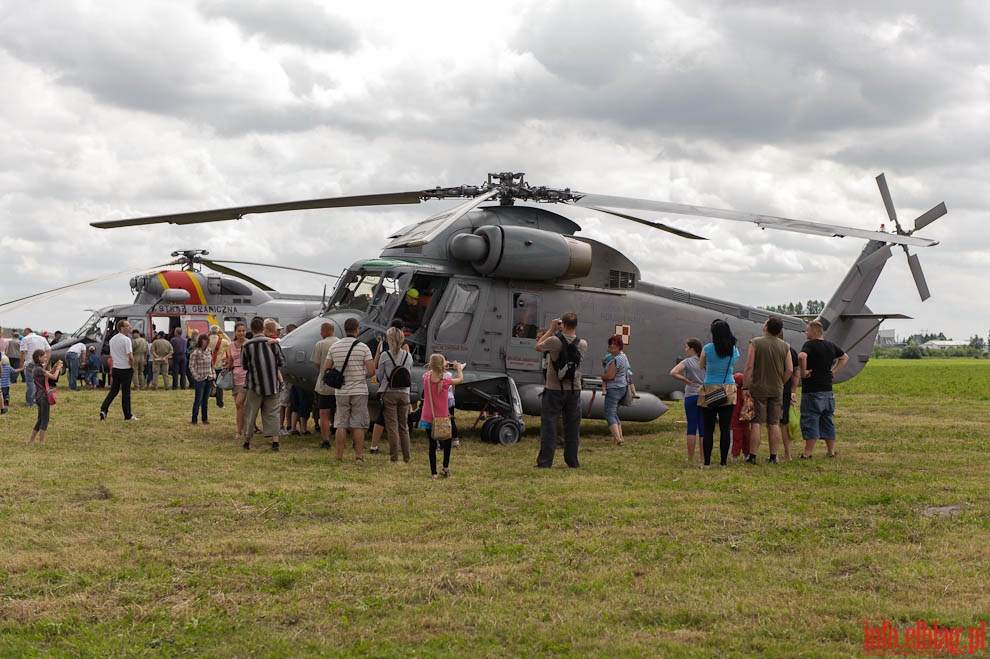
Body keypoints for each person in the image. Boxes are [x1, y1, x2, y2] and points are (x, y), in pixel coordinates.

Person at [534, 312, 588, 469]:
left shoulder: (554, 341)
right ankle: (572, 461)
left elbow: (538, 347)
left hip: (553, 388)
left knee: (549, 425)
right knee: (572, 426)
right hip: (574, 389)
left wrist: (550, 330)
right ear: (576, 325)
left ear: (562, 325)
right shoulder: (582, 344)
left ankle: (545, 462)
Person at [742, 316, 793, 464]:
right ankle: (773, 456)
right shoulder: (785, 346)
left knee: (756, 422)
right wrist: (781, 382)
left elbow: (749, 366)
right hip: (776, 389)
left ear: (766, 328)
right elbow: (789, 369)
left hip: (759, 387)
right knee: (774, 423)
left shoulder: (756, 343)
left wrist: (746, 385)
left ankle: (753, 455)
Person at [325, 318, 374, 461]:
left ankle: (339, 456)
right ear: (357, 329)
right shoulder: (363, 347)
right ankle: (358, 456)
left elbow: (326, 369)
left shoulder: (334, 347)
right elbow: (371, 371)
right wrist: (361, 374)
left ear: (344, 329)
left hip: (341, 391)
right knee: (357, 423)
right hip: (359, 389)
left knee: (340, 423)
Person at [798, 320, 848, 459]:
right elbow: (844, 357)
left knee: (810, 419)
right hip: (828, 390)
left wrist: (803, 372)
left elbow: (802, 356)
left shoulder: (809, 345)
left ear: (814, 331)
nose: (806, 333)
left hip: (812, 389)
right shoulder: (830, 346)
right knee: (827, 419)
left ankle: (808, 452)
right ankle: (831, 451)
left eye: (807, 330)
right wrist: (834, 370)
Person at [241, 317, 285, 451]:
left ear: (251, 329)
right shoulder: (272, 343)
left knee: (250, 413)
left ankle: (247, 442)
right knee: (272, 413)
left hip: (254, 385)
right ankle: (275, 442)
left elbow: (244, 366)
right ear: (263, 329)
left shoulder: (247, 345)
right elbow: (281, 362)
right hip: (272, 385)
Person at [699, 319, 739, 468]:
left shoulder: (708, 348)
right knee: (725, 427)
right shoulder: (733, 350)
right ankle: (723, 462)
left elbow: (701, 365)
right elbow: (732, 364)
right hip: (728, 388)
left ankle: (707, 462)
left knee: (708, 428)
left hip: (709, 388)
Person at [421, 353, 463, 477]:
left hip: (428, 417)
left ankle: (433, 472)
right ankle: (445, 468)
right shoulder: (444, 381)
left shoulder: (426, 378)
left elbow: (431, 371)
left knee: (432, 444)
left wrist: (440, 364)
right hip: (442, 418)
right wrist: (459, 369)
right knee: (447, 442)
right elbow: (460, 380)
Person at [375, 326, 413, 463]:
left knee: (392, 426)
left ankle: (394, 457)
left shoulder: (385, 355)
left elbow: (379, 376)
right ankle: (407, 457)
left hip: (389, 393)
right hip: (404, 393)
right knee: (404, 426)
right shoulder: (408, 356)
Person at [669, 338, 705, 463]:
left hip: (690, 395)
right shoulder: (705, 362)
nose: (685, 350)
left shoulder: (688, 362)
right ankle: (703, 457)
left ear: (692, 349)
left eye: (686, 347)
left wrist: (685, 380)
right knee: (702, 427)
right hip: (703, 395)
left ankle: (690, 457)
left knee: (691, 426)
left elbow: (673, 372)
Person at [99, 319, 138, 421]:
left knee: (113, 391)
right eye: (127, 326)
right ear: (121, 328)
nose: (130, 327)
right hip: (125, 368)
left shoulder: (112, 339)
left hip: (116, 367)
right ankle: (127, 414)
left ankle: (104, 409)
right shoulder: (126, 340)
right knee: (126, 393)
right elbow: (130, 356)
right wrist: (132, 366)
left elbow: (112, 355)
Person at [311, 322, 339, 450]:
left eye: (321, 331)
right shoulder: (340, 343)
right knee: (340, 412)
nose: (320, 333)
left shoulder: (320, 344)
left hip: (325, 384)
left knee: (324, 413)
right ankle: (340, 435)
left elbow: (317, 365)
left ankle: (326, 440)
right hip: (339, 384)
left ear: (326, 331)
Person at [600, 334, 630, 446]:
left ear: (619, 346)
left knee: (609, 413)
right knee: (614, 413)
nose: (612, 346)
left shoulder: (616, 359)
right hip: (621, 387)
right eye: (611, 344)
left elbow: (610, 376)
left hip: (614, 388)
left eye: (615, 344)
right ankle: (620, 436)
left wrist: (602, 377)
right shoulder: (623, 356)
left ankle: (618, 438)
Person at [28, 350, 63, 443]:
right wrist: (59, 369)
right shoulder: (40, 369)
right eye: (44, 356)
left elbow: (48, 374)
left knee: (40, 419)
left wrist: (55, 366)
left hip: (38, 396)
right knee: (45, 420)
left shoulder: (37, 368)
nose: (46, 358)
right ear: (39, 357)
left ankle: (31, 440)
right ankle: (41, 441)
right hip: (43, 397)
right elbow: (54, 377)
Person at [224, 322, 249, 442]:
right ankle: (241, 429)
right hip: (235, 376)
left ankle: (242, 430)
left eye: (243, 331)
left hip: (247, 375)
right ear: (235, 332)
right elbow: (230, 360)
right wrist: (226, 364)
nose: (241, 333)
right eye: (239, 331)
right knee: (239, 406)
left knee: (240, 403)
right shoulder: (231, 345)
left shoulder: (249, 344)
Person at [20, 328, 50, 407]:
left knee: (30, 383)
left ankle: (30, 402)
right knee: (39, 383)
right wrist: (46, 363)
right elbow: (49, 350)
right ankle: (38, 400)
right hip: (41, 364)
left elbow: (23, 352)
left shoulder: (25, 339)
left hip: (31, 363)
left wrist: (21, 363)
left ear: (26, 332)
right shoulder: (42, 339)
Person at [189, 333, 214, 424]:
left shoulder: (209, 351)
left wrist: (213, 374)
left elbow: (212, 364)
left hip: (209, 377)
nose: (205, 342)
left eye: (207, 340)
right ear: (200, 341)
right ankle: (194, 419)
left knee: (205, 400)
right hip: (200, 378)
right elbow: (191, 366)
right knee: (198, 399)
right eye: (204, 340)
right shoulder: (196, 352)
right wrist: (196, 376)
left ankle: (205, 418)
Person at [729, 372, 752, 462]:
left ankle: (735, 455)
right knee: (747, 437)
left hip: (735, 422)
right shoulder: (746, 395)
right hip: (745, 422)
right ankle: (746, 454)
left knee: (736, 438)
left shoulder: (732, 394)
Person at [207, 325, 229, 408]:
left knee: (207, 384)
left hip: (208, 365)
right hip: (219, 364)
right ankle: (220, 403)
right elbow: (229, 342)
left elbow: (199, 341)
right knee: (219, 385)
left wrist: (207, 334)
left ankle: (205, 401)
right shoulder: (222, 341)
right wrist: (223, 333)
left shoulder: (207, 340)